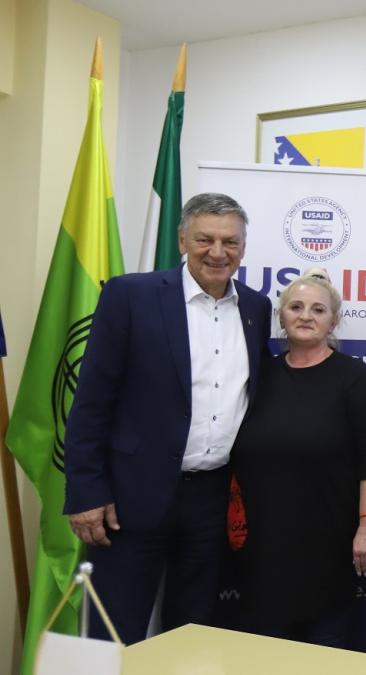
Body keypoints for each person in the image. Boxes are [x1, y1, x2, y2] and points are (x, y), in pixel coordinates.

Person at [63, 193, 273, 643]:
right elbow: (92, 402)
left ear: (243, 246)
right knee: (112, 632)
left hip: (211, 500)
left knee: (193, 632)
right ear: (182, 240)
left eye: (230, 241)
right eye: (205, 239)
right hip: (129, 500)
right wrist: (85, 493)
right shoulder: (130, 295)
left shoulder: (256, 309)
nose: (218, 252)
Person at [231, 268, 366, 646]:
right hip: (262, 548)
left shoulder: (353, 378)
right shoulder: (259, 375)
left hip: (327, 548)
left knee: (322, 654)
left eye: (318, 310)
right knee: (264, 655)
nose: (306, 316)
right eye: (296, 307)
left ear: (333, 321)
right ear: (281, 316)